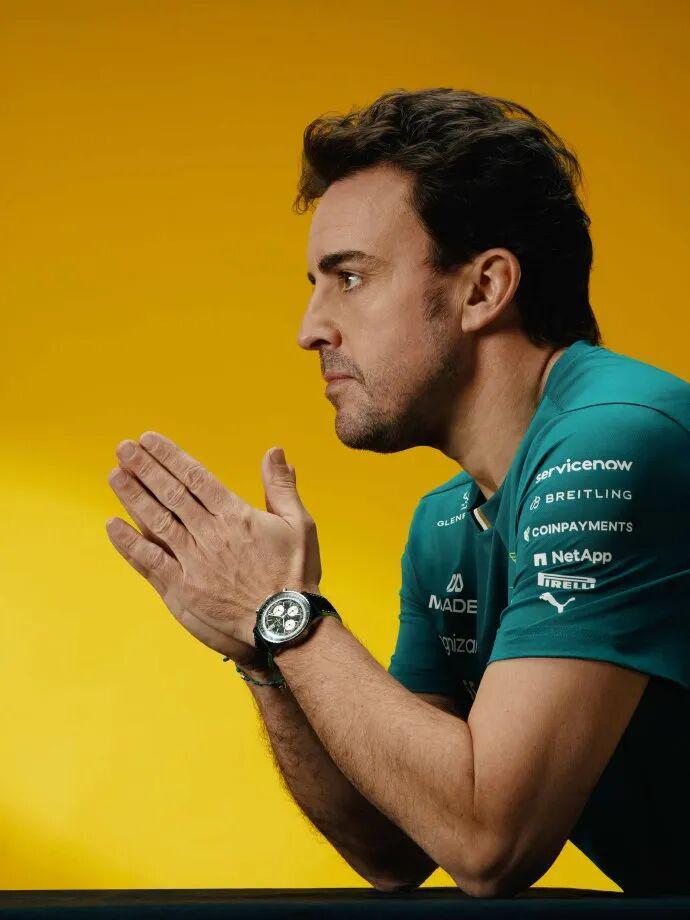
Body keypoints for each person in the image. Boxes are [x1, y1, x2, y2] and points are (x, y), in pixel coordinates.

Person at [106, 88, 690, 898]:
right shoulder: (447, 524)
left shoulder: (618, 439)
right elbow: (397, 849)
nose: (310, 328)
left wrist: (285, 612)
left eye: (349, 277)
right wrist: (264, 650)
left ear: (483, 289)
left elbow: (489, 843)